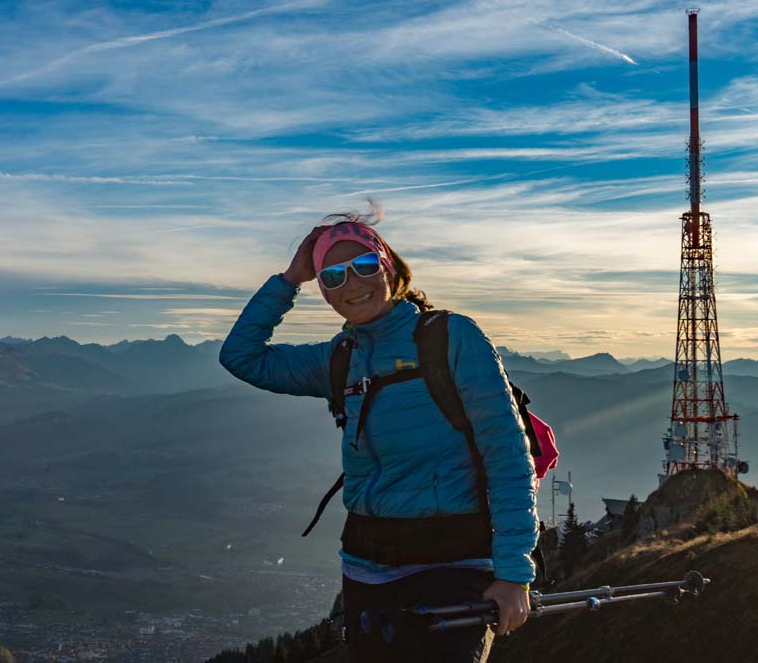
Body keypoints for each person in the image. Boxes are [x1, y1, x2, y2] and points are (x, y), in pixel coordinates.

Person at [219, 210, 538, 662]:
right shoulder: (339, 357)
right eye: (332, 275)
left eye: (364, 266)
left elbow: (507, 457)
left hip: (454, 565)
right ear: (322, 289)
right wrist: (290, 277)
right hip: (367, 569)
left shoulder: (451, 337)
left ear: (388, 265)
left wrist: (512, 574)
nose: (352, 283)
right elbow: (241, 357)